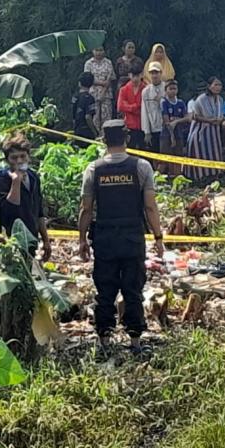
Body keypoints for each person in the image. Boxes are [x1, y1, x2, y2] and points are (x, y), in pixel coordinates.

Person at [78, 120, 164, 353]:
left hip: (105, 239)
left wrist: (82, 240)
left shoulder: (93, 169)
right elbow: (150, 207)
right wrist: (158, 237)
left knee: (105, 290)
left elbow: (86, 209)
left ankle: (104, 341)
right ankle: (135, 342)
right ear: (126, 138)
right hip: (132, 238)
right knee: (133, 290)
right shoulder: (142, 167)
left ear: (104, 140)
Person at [0, 133, 51, 259]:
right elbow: (7, 210)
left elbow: (39, 212)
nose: (19, 161)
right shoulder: (3, 179)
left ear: (28, 157)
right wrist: (16, 182)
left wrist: (46, 240)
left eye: (22, 156)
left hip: (31, 239)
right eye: (14, 158)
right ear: (7, 160)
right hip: (11, 243)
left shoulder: (33, 177)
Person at [187, 77, 225, 181]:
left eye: (220, 85)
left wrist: (220, 120)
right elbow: (195, 116)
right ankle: (200, 177)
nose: (218, 87)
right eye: (215, 85)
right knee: (200, 153)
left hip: (214, 132)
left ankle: (214, 175)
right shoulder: (201, 99)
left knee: (214, 152)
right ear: (209, 86)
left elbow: (221, 114)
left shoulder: (220, 99)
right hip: (200, 130)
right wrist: (209, 120)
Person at [83, 46, 116, 133]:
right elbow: (87, 78)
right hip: (93, 94)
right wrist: (102, 83)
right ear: (92, 51)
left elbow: (110, 78)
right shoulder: (88, 63)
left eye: (101, 50)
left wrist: (103, 91)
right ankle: (95, 136)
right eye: (96, 50)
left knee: (107, 118)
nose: (99, 52)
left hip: (106, 94)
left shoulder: (108, 62)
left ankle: (107, 137)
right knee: (95, 118)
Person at [160, 80, 190, 175]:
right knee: (164, 156)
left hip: (179, 133)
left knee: (178, 156)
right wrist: (172, 137)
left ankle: (177, 176)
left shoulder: (181, 103)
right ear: (166, 90)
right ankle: (160, 176)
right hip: (167, 133)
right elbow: (167, 121)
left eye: (175, 89)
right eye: (170, 89)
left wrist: (177, 121)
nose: (173, 91)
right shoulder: (164, 102)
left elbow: (187, 118)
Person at [116, 62, 147, 149]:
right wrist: (135, 107)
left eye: (138, 75)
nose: (135, 78)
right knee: (130, 149)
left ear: (142, 75)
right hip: (129, 125)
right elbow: (120, 107)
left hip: (143, 125)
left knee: (144, 150)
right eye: (133, 75)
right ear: (129, 75)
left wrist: (129, 106)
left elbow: (144, 108)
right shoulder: (123, 89)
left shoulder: (146, 89)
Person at [140, 62, 167, 153]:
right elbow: (144, 112)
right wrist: (147, 131)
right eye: (152, 73)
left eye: (156, 73)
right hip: (153, 128)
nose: (154, 75)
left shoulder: (167, 88)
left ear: (161, 73)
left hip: (166, 127)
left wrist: (162, 100)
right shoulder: (146, 91)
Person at [72, 72, 98, 140]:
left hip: (77, 130)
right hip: (87, 131)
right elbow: (88, 117)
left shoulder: (75, 97)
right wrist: (94, 131)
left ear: (79, 83)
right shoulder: (90, 98)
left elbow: (73, 115)